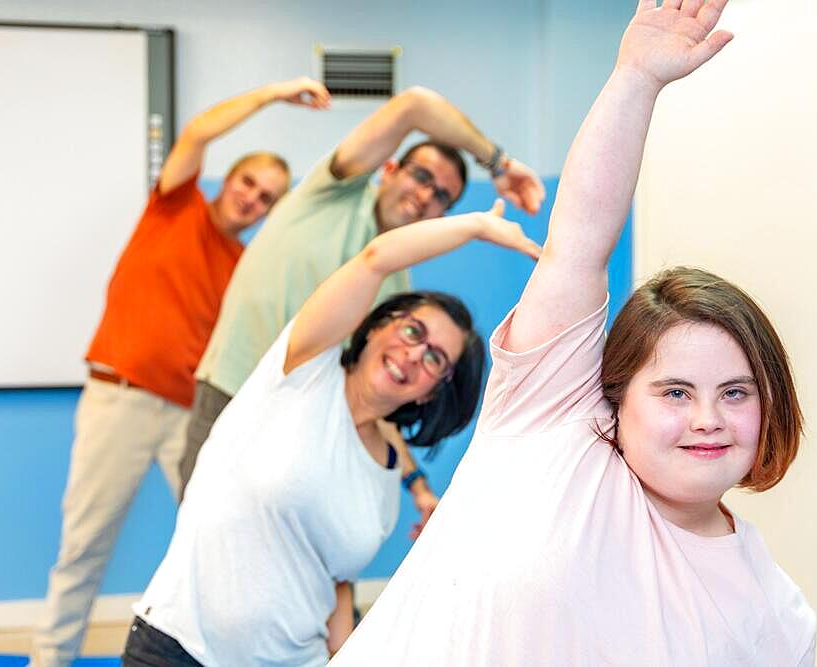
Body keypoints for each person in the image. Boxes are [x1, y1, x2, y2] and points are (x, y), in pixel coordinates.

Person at [329, 1, 817, 665]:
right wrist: (637, 80)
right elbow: (579, 243)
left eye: (736, 392)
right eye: (675, 391)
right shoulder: (550, 423)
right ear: (617, 395)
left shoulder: (780, 618)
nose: (709, 418)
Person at [120, 200, 542, 666]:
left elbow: (332, 582)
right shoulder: (302, 368)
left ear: (431, 393)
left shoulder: (385, 484)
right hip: (175, 646)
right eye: (411, 331)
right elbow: (375, 259)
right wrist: (475, 225)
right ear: (379, 325)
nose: (413, 354)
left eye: (434, 358)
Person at [30, 77, 331, 667]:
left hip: (191, 416)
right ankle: (49, 660)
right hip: (122, 399)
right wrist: (272, 96)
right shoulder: (175, 206)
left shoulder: (244, 265)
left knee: (219, 541)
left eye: (268, 197)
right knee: (84, 544)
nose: (253, 199)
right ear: (228, 180)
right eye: (249, 183)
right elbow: (198, 131)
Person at [178, 84, 547, 533]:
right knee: (203, 545)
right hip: (229, 391)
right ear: (389, 168)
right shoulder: (333, 192)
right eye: (422, 177)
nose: (426, 196)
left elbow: (375, 390)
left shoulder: (397, 298)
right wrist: (499, 163)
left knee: (284, 563)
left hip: (296, 425)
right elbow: (415, 104)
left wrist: (417, 485)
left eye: (442, 197)